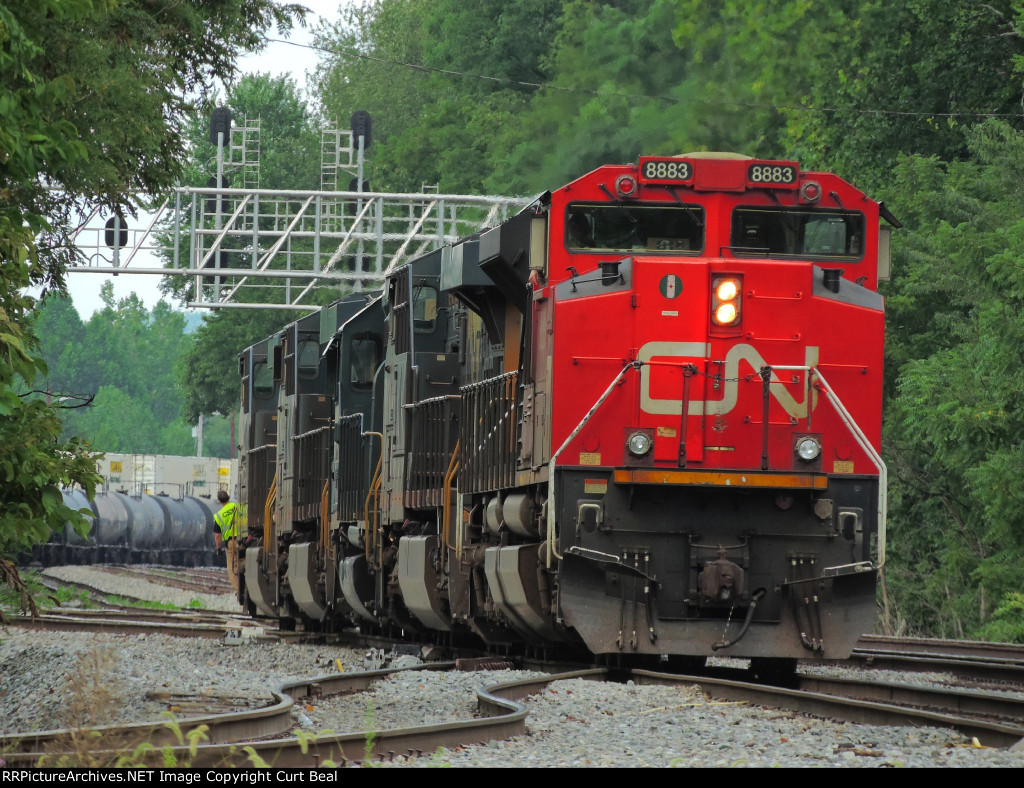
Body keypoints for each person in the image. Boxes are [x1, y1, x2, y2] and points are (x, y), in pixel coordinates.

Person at [213, 489, 240, 593]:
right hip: (244, 540)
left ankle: (239, 591)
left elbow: (217, 535)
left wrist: (218, 549)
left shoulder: (219, 515)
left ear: (219, 501)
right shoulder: (237, 507)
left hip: (231, 542)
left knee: (232, 570)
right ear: (228, 498)